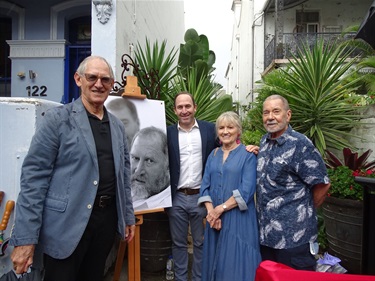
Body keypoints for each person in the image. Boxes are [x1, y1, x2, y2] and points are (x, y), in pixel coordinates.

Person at [9, 56, 136, 281]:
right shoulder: (58, 120)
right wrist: (25, 238)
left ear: (111, 84)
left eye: (105, 79)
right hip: (65, 227)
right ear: (78, 79)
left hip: (105, 224)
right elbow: (34, 179)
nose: (99, 84)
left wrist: (127, 217)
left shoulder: (116, 126)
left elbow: (123, 176)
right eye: (92, 77)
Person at [256, 94, 330, 271]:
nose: (270, 117)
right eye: (266, 113)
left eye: (276, 111)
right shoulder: (264, 142)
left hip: (294, 240)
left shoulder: (300, 144)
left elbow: (323, 184)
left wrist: (303, 212)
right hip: (267, 237)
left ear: (288, 115)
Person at [198, 111, 261, 281]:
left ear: (238, 130)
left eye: (230, 127)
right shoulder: (213, 154)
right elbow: (205, 186)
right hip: (214, 221)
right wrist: (212, 213)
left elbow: (246, 190)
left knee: (235, 265)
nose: (225, 131)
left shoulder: (248, 155)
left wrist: (220, 209)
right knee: (214, 263)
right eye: (221, 128)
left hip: (238, 220)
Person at [167, 92, 218, 281]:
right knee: (178, 243)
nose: (184, 110)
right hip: (177, 197)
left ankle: (199, 278)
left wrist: (245, 147)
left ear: (195, 107)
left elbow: (228, 143)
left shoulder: (209, 130)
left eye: (187, 106)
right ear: (174, 110)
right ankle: (180, 279)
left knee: (200, 243)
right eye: (180, 107)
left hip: (202, 197)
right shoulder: (168, 133)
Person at [130, 126, 171, 211]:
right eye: (135, 158)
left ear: (168, 166)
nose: (138, 170)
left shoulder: (167, 208)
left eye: (149, 161)